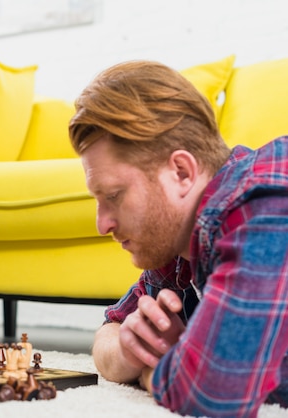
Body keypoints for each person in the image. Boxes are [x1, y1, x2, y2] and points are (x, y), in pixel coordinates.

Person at [68, 60, 288, 416]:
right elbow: (110, 329)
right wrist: (128, 350)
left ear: (181, 172)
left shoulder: (263, 206)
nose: (102, 224)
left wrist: (154, 371)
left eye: (114, 196)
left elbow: (211, 395)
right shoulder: (179, 243)